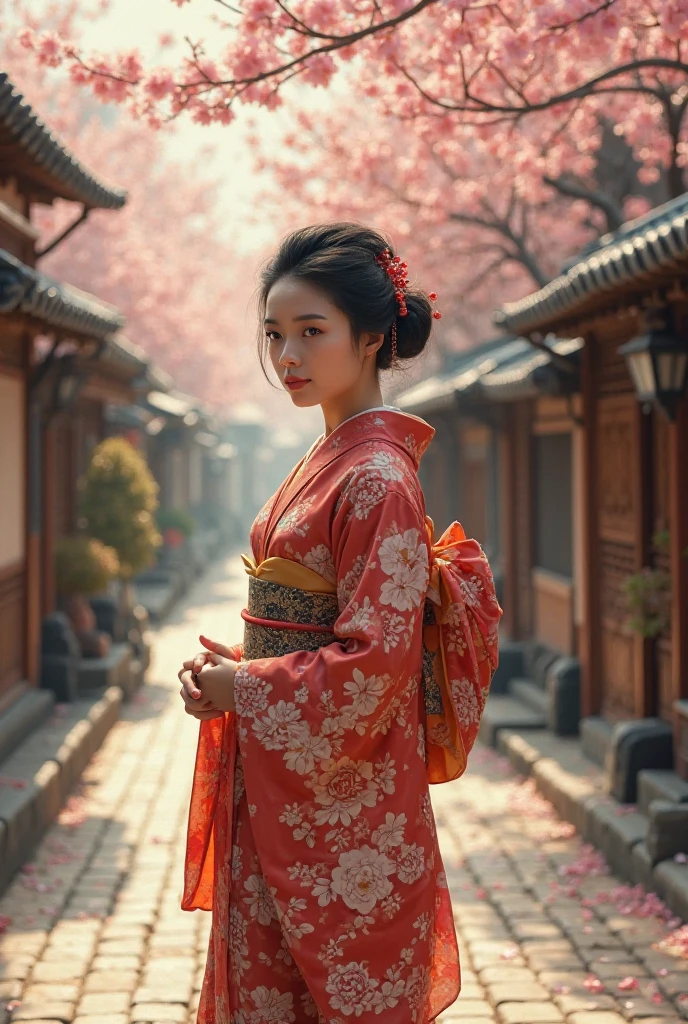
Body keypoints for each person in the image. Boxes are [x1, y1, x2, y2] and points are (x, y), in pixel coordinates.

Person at [177, 223, 502, 1024]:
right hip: (291, 779)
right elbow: (314, 627)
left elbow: (375, 666)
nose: (288, 356)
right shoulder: (335, 459)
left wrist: (244, 687)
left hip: (341, 808)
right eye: (275, 335)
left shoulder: (377, 479)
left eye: (311, 332)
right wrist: (238, 671)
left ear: (371, 337)